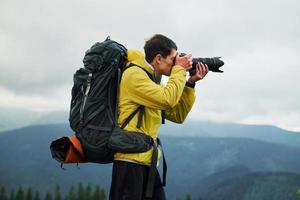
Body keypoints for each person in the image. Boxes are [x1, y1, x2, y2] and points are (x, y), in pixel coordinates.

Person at [109, 34, 209, 200]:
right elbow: (167, 100)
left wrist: (190, 83)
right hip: (130, 162)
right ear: (158, 59)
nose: (176, 63)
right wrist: (179, 70)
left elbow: (178, 115)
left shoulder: (153, 80)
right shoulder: (134, 76)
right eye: (173, 59)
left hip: (148, 160)